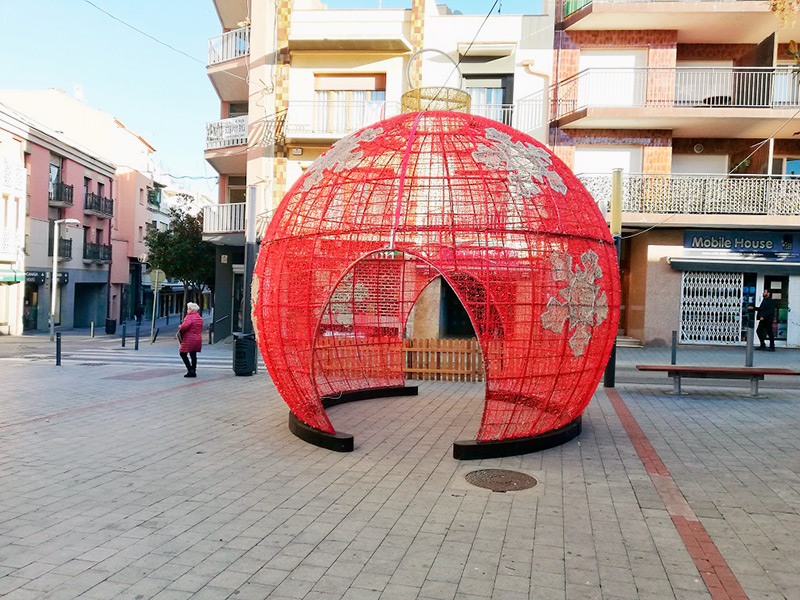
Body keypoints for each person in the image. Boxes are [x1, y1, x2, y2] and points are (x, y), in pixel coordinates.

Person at [178, 302, 203, 377]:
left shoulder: (189, 317)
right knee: (193, 354)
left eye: (188, 308)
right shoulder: (199, 317)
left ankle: (190, 370)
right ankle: (194, 369)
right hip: (197, 338)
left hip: (189, 338)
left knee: (182, 353)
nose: (187, 310)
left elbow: (185, 326)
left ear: (191, 310)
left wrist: (180, 326)